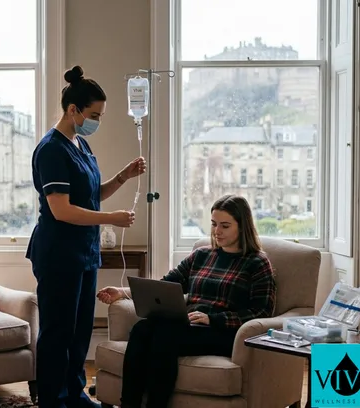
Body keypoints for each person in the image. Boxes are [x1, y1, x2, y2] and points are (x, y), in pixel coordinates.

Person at [26, 65, 147, 408]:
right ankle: (52, 399)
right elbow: (62, 210)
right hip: (58, 254)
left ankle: (74, 393)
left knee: (79, 332)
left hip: (84, 252)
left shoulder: (81, 144)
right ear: (73, 110)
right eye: (93, 114)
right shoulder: (51, 150)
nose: (97, 121)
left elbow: (92, 195)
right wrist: (112, 219)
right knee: (57, 332)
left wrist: (123, 176)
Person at [97, 194, 277, 408]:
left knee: (165, 336)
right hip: (188, 325)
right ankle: (129, 404)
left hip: (224, 332)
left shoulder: (257, 262)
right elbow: (163, 286)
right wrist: (122, 292)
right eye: (213, 224)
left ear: (242, 226)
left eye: (225, 226)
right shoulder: (202, 255)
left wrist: (213, 319)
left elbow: (262, 311)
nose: (217, 231)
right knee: (142, 329)